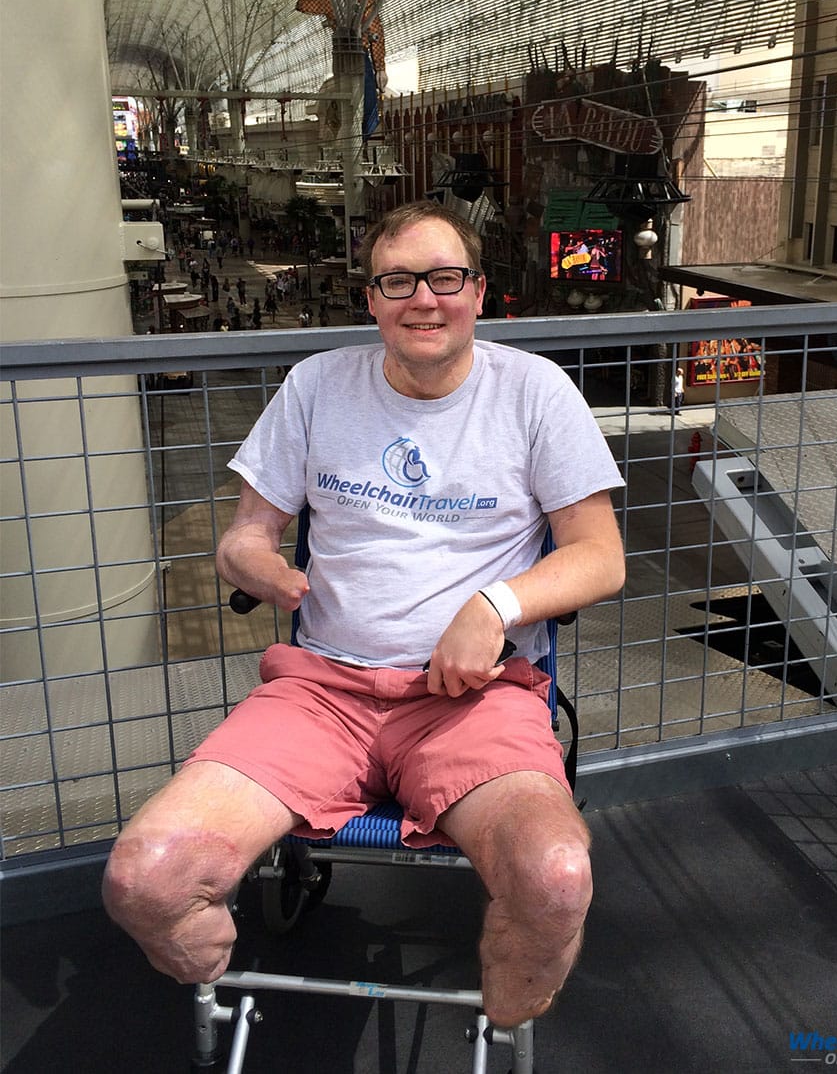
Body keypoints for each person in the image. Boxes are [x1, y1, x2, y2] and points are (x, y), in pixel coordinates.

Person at [102, 200, 626, 1030]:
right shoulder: (317, 384)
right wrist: (251, 560)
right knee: (144, 879)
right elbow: (247, 532)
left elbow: (600, 554)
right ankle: (218, 985)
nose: (425, 298)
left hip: (471, 700)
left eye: (445, 277)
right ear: (373, 299)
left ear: (479, 293)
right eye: (398, 281)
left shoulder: (535, 393)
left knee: (556, 879)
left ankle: (506, 1014)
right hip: (321, 692)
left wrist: (495, 605)